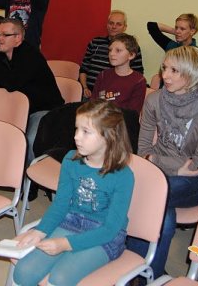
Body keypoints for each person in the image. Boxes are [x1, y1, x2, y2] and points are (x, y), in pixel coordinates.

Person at [13, 99, 134, 286]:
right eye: (77, 129)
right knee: (23, 272)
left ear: (109, 135)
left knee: (60, 279)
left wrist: (64, 244)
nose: (77, 137)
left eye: (86, 131)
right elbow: (60, 205)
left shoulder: (123, 176)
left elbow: (110, 230)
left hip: (103, 236)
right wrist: (40, 231)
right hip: (71, 222)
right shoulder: (70, 160)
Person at [128, 46, 198, 278]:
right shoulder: (154, 100)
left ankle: (131, 270)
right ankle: (150, 275)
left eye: (174, 71)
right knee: (164, 215)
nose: (165, 76)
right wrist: (171, 166)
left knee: (148, 195)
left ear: (193, 74)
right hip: (160, 173)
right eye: (164, 68)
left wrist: (155, 160)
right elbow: (143, 151)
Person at [0, 18, 63, 164]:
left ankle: (27, 176)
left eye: (5, 35)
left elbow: (11, 83)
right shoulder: (2, 55)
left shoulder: (30, 55)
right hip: (20, 107)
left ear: (18, 38)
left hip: (44, 110)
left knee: (29, 141)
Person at [79, 10, 144, 95]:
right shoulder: (95, 42)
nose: (114, 27)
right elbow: (84, 68)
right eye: (111, 23)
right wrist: (84, 88)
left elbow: (137, 73)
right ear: (107, 25)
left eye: (118, 24)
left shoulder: (131, 47)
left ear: (125, 27)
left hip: (114, 94)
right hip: (88, 92)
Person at [91, 33, 146, 114]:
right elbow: (93, 103)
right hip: (98, 118)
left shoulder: (139, 81)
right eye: (110, 50)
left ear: (131, 55)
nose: (111, 54)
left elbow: (132, 114)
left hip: (121, 120)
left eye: (118, 50)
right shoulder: (103, 75)